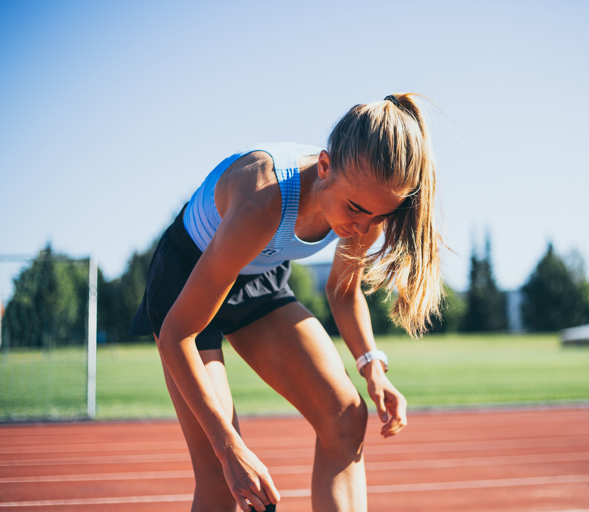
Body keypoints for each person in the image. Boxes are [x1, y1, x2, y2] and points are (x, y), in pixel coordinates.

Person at [130, 93, 444, 512]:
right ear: (325, 166)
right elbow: (176, 335)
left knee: (346, 417)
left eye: (379, 217)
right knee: (223, 479)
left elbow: (342, 291)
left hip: (257, 277)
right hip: (187, 281)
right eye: (355, 210)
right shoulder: (263, 198)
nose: (363, 228)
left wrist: (372, 366)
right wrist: (229, 448)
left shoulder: (366, 203)